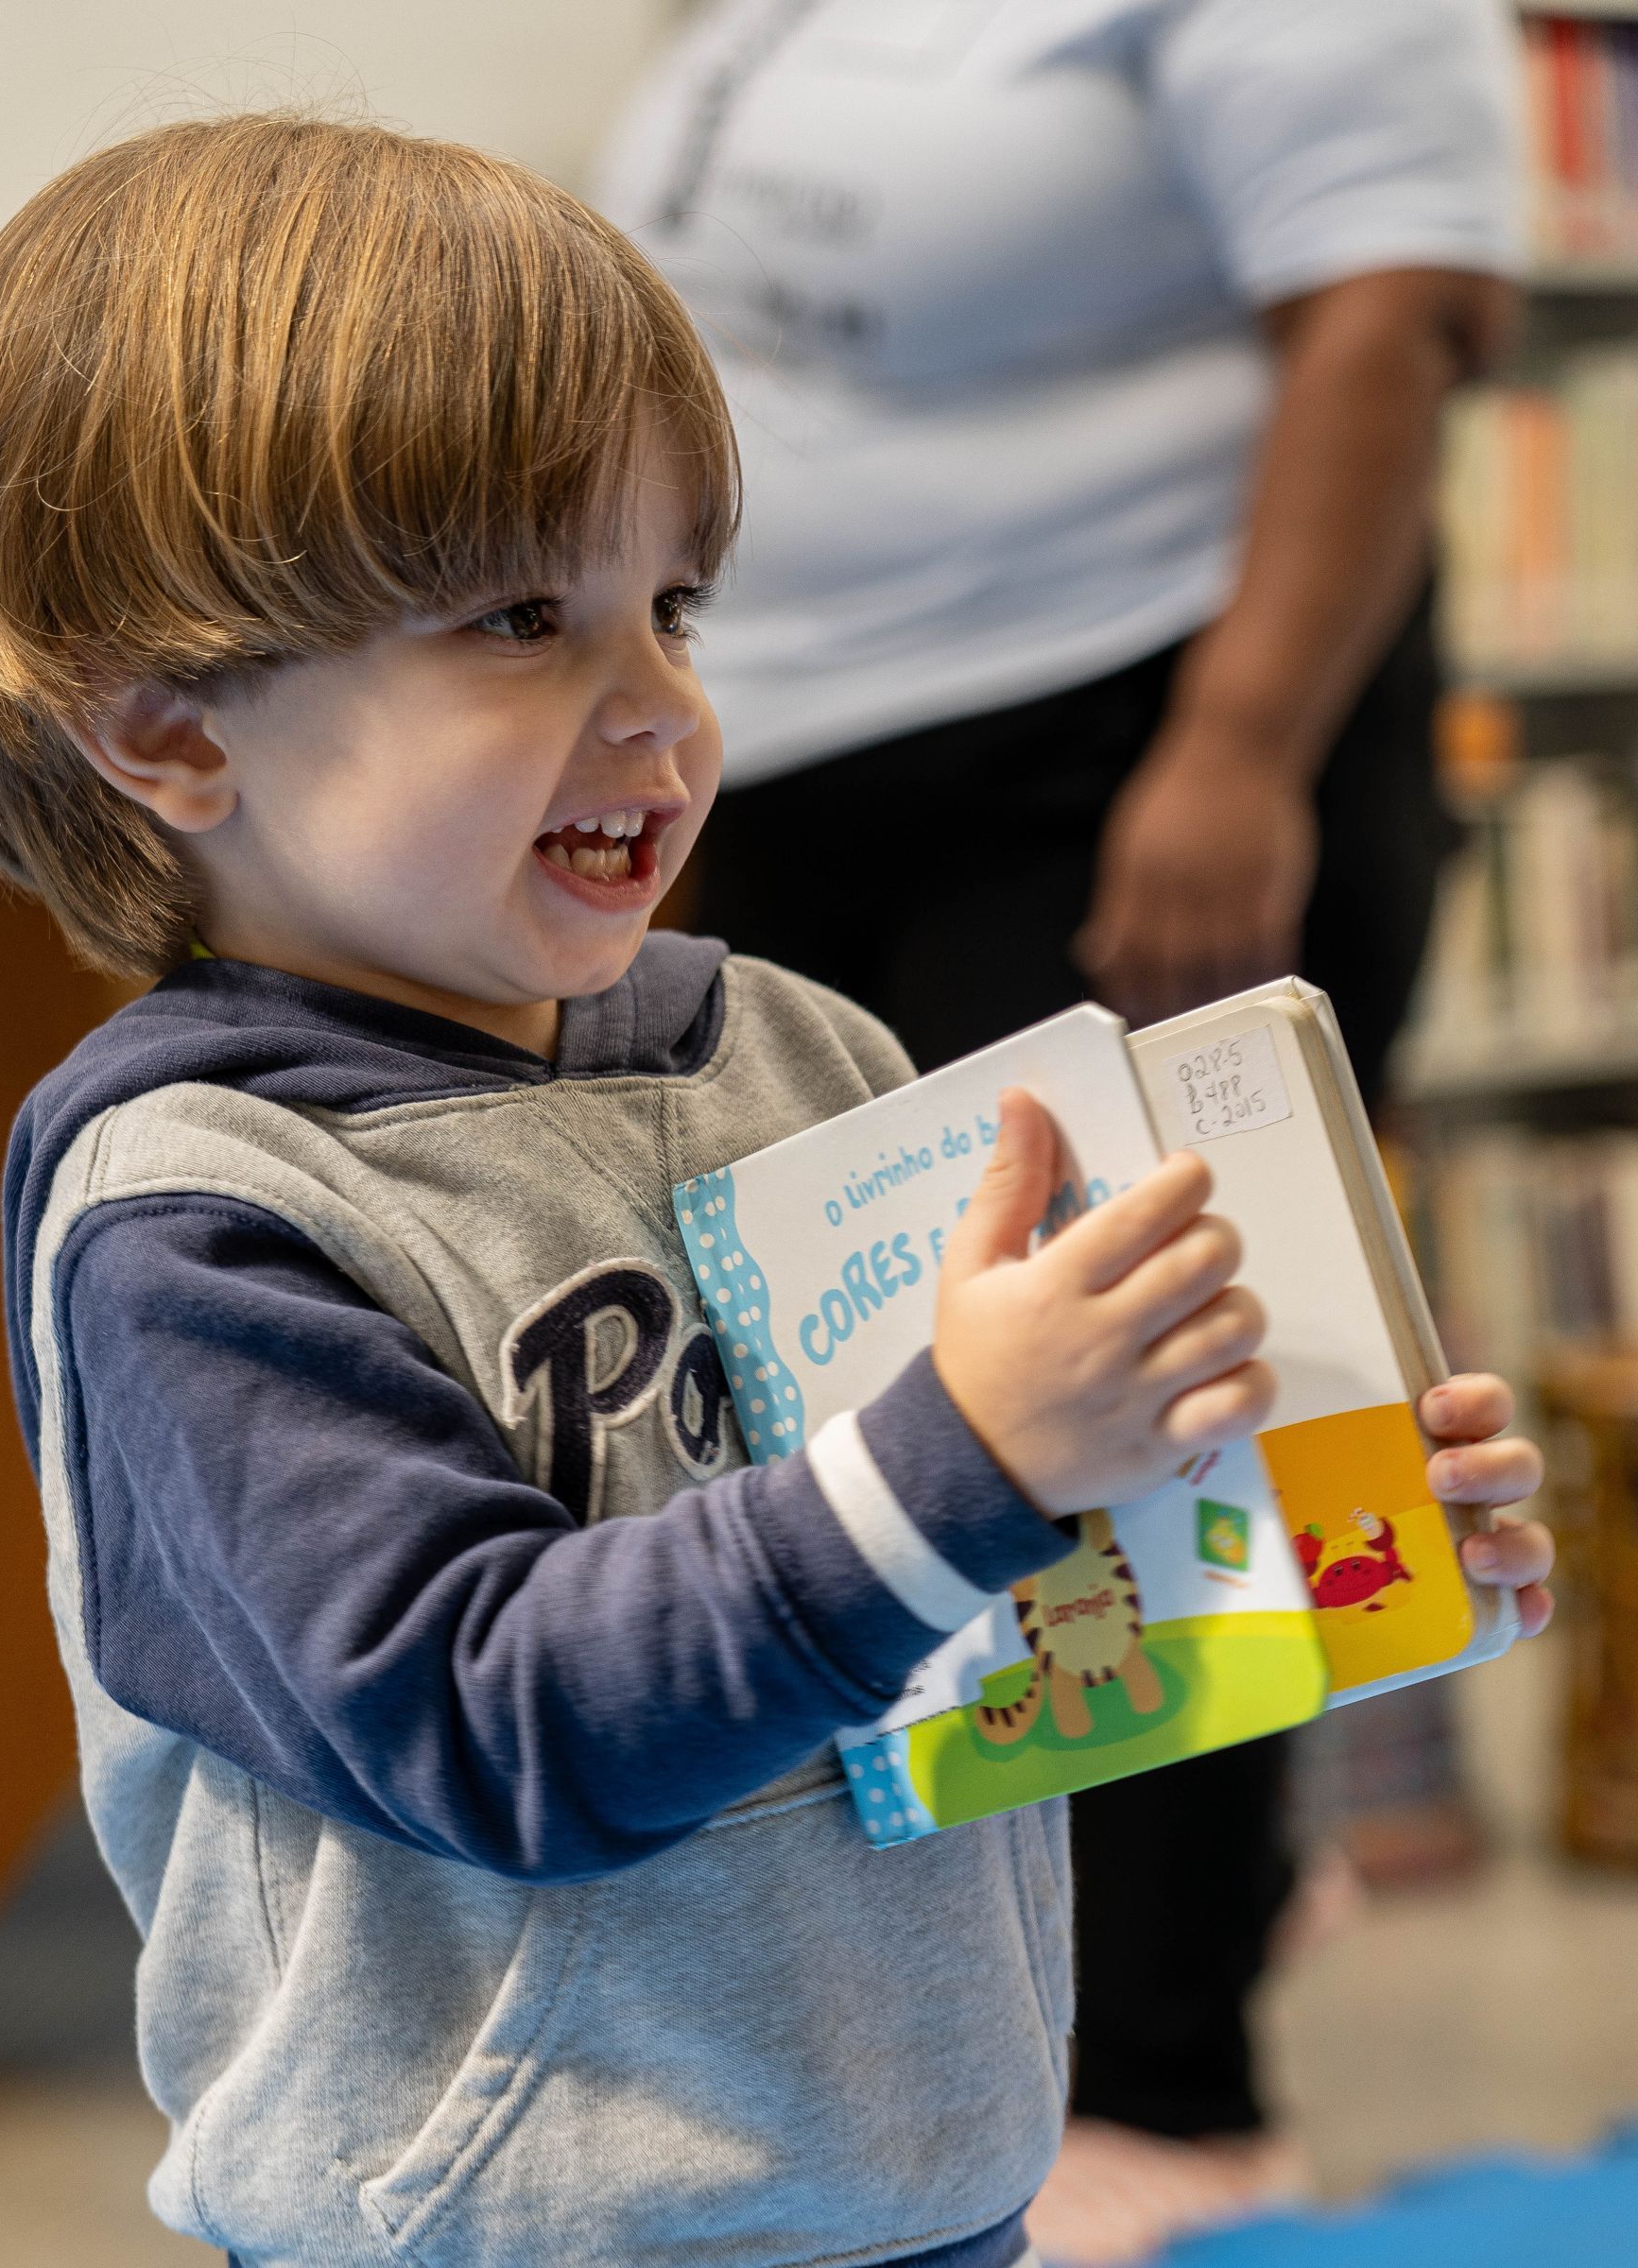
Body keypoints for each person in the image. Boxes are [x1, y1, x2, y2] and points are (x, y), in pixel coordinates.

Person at [0, 115, 1554, 2268]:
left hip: (924, 2174)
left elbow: (974, 1650)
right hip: (506, 2227)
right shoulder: (198, 1214)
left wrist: (1328, 1557)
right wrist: (967, 1449)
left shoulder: (801, 1056)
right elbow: (492, 1723)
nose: (661, 710)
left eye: (672, 603)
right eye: (517, 619)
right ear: (172, 732)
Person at [595, 4, 1524, 2249]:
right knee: (906, 1413)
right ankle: (1041, 1994)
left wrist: (1231, 751)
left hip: (1120, 759)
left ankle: (1179, 2100)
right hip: (808, 769)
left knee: (1153, 1405)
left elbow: (1388, 321)